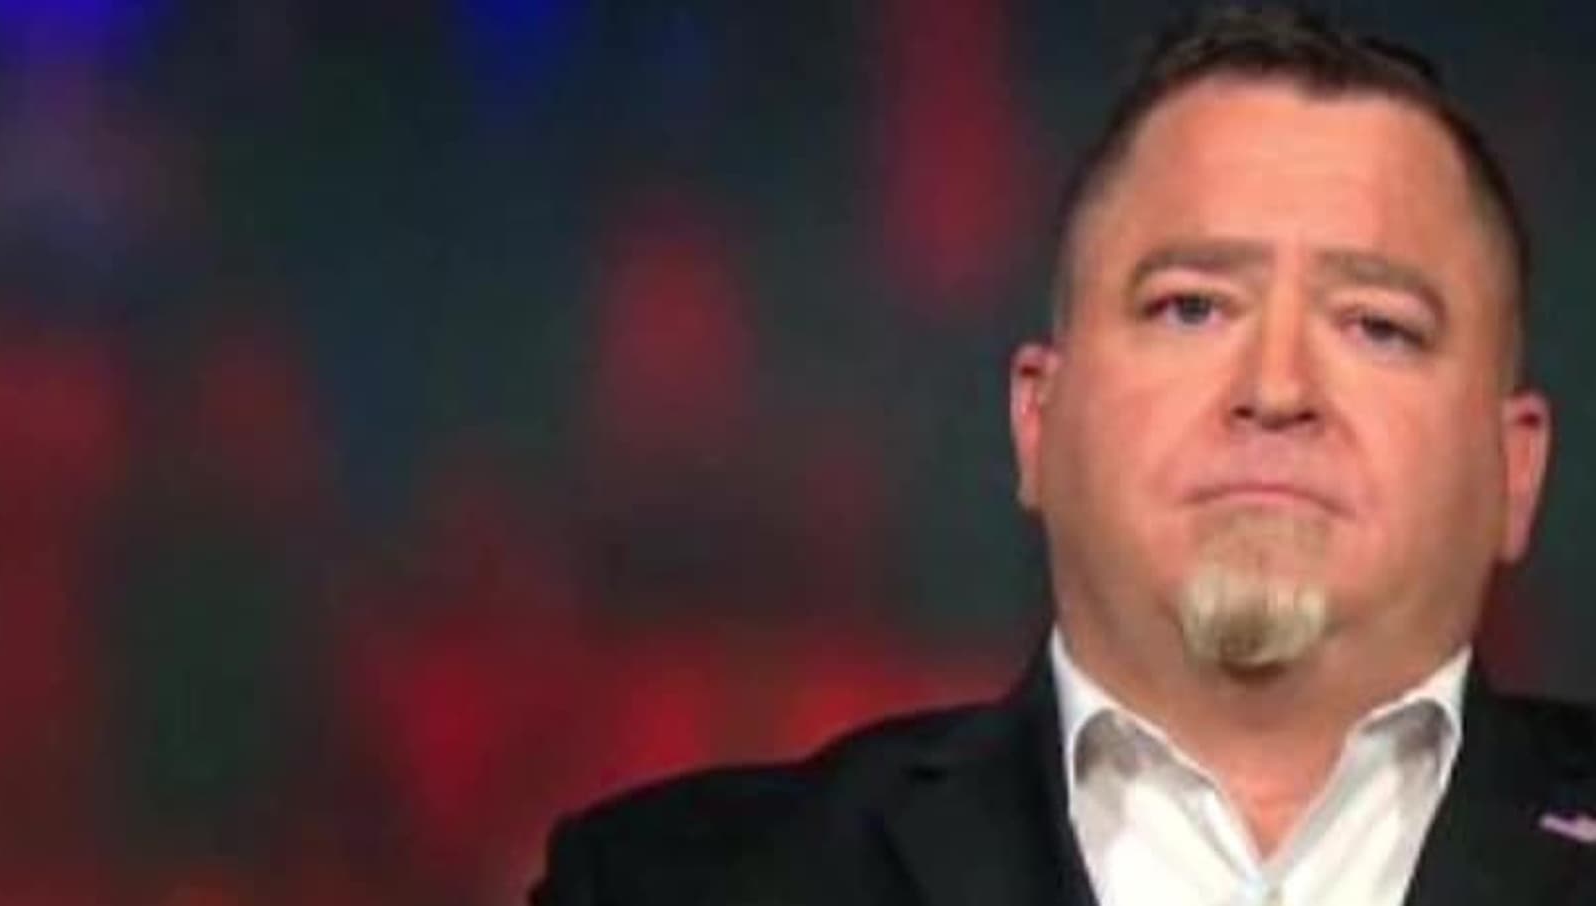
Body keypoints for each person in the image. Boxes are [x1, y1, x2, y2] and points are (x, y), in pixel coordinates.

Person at [531, 6, 1596, 905]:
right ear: (1037, 420)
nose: (1277, 390)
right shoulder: (671, 883)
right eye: (1190, 307)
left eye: (1377, 326)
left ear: (1517, 471)